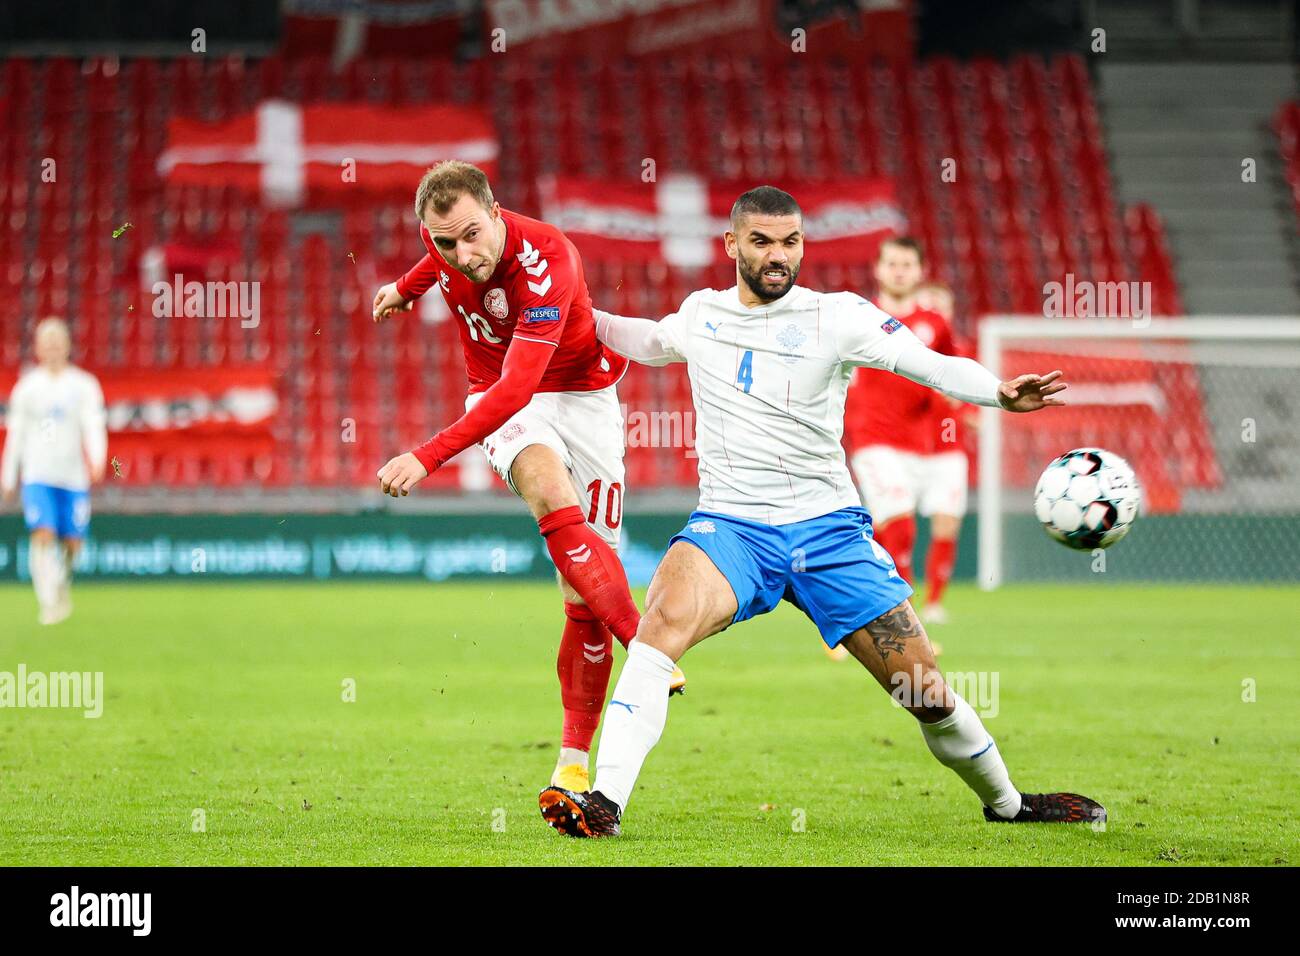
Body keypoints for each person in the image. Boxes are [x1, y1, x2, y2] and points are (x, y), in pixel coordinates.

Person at [537, 186, 1104, 837]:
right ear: (731, 245)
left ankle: (1008, 803)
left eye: (791, 242)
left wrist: (998, 394)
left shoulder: (837, 316)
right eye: (762, 242)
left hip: (829, 532)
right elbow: (643, 338)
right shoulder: (700, 315)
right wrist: (565, 309)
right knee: (660, 624)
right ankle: (603, 803)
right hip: (731, 529)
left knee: (924, 692)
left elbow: (927, 363)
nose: (779, 256)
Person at [370, 161, 684, 798]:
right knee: (547, 488)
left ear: (495, 211)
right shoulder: (449, 246)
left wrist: (426, 457)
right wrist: (406, 285)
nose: (463, 254)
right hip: (501, 401)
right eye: (445, 242)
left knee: (580, 597)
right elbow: (503, 386)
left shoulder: (546, 258)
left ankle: (571, 761)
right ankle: (642, 643)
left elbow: (523, 384)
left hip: (578, 395)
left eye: (471, 236)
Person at [845, 240, 968, 625]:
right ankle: (904, 611)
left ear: (919, 271)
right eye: (892, 263)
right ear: (878, 270)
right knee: (901, 524)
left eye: (907, 264)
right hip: (872, 440)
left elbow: (951, 371)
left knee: (893, 530)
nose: (899, 271)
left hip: (919, 444)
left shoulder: (935, 324)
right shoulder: (858, 318)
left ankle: (871, 603)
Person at [1, 317, 107, 625]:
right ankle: (48, 600)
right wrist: (9, 475)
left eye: (57, 342)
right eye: (46, 342)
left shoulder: (84, 385)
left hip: (73, 476)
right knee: (43, 534)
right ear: (37, 348)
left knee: (73, 544)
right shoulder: (27, 388)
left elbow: (93, 425)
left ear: (67, 345)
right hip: (38, 474)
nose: (52, 348)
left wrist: (98, 458)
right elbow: (16, 434)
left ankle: (61, 583)